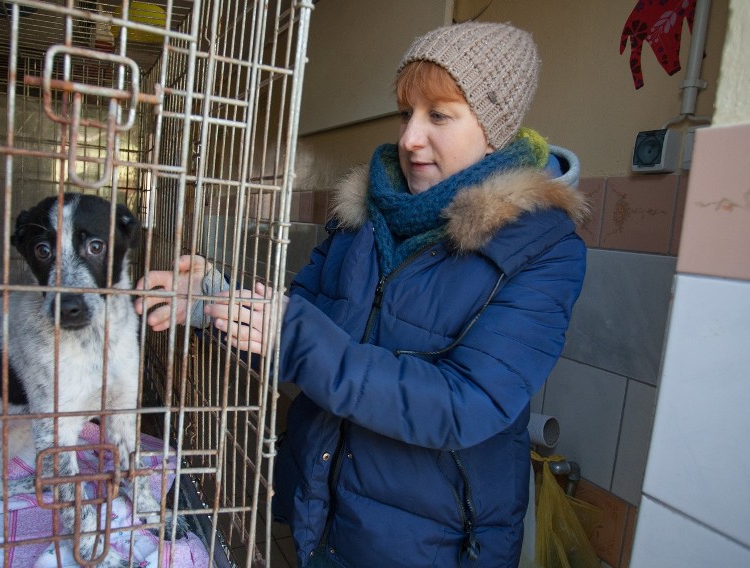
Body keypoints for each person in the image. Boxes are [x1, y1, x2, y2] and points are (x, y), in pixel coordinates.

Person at [136, 21, 588, 568]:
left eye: (438, 116)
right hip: (322, 510)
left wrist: (293, 334)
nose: (409, 139)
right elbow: (297, 328)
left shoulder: (543, 247)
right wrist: (210, 301)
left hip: (431, 544)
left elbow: (467, 403)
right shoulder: (363, 220)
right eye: (406, 114)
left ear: (497, 128)